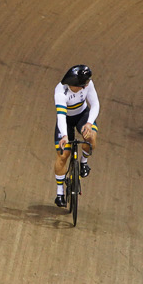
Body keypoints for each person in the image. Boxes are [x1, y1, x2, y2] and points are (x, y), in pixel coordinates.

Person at [52, 64, 98, 211]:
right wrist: (65, 136)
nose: (85, 87)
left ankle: (84, 162)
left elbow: (95, 104)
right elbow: (61, 116)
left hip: (82, 116)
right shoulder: (60, 92)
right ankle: (60, 193)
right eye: (82, 85)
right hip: (65, 119)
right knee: (63, 154)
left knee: (90, 138)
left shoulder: (88, 84)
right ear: (74, 85)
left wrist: (89, 123)